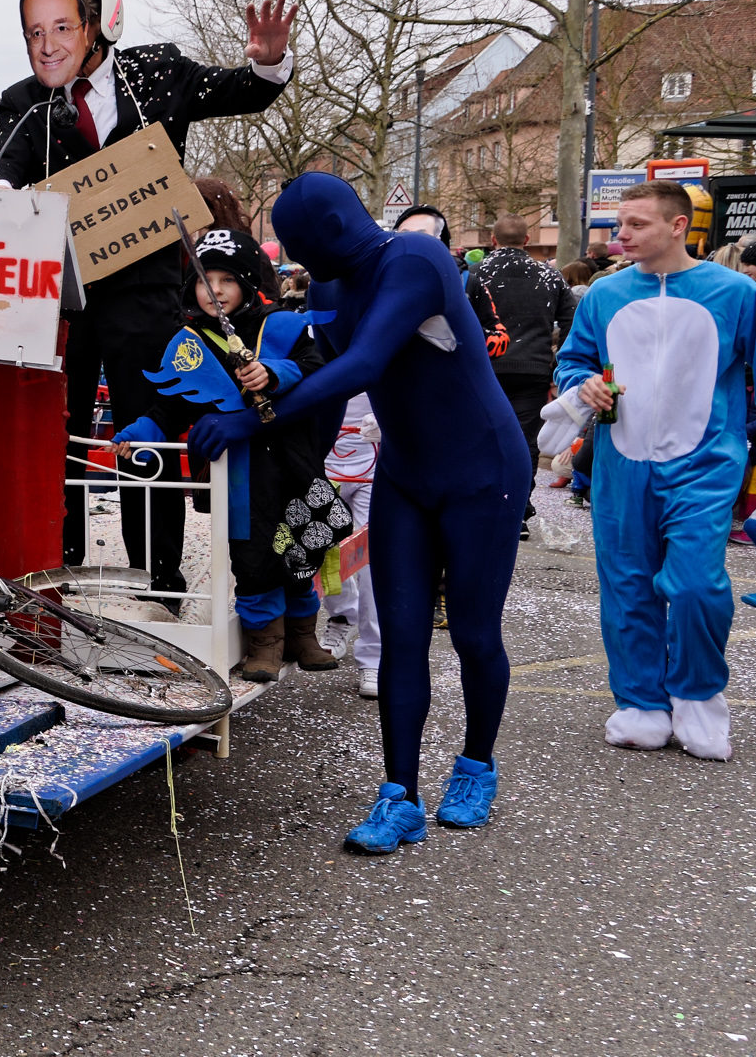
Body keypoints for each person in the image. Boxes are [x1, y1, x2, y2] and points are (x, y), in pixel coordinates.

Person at [192, 172, 533, 854]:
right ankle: (399, 795)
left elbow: (366, 363)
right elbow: (324, 378)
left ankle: (476, 766)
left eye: (300, 246)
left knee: (472, 633)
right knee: (402, 634)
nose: (297, 261)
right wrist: (308, 474)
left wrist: (251, 423)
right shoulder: (330, 284)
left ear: (333, 231)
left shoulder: (415, 258)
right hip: (406, 472)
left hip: (483, 470)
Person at [0, 0, 294, 585]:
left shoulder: (158, 71)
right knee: (60, 432)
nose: (51, 42)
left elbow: (241, 91)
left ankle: (159, 576)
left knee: (145, 427)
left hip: (144, 294)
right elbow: (5, 169)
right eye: (37, 31)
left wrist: (268, 64)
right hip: (61, 300)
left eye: (66, 24)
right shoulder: (23, 100)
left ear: (100, 23)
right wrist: (0, 195)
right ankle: (59, 564)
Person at [549, 180, 756, 761]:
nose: (621, 235)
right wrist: (582, 384)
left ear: (677, 226)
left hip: (706, 463)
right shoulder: (603, 294)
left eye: (636, 224)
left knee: (696, 585)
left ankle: (697, 696)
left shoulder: (735, 292)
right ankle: (641, 703)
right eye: (620, 224)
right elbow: (573, 360)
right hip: (621, 465)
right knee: (627, 586)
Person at [110, 229, 342, 681]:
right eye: (204, 280)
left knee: (301, 549)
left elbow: (316, 369)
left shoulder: (284, 326)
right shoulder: (188, 345)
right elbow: (169, 408)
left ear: (248, 283)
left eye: (227, 280)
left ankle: (303, 636)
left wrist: (274, 372)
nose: (214, 290)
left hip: (295, 465)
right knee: (254, 559)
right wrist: (138, 434)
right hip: (239, 477)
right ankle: (264, 644)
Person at [468, 212, 576, 525]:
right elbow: (571, 319)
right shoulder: (550, 276)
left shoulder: (475, 274)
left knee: (481, 437)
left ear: (493, 240)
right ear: (527, 240)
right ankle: (519, 509)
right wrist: (557, 361)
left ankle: (482, 503)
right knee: (525, 442)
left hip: (484, 367)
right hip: (533, 368)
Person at [320, 391, 383, 699]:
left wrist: (393, 414)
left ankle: (374, 657)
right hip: (322, 454)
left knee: (373, 561)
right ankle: (342, 615)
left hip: (377, 458)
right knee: (322, 548)